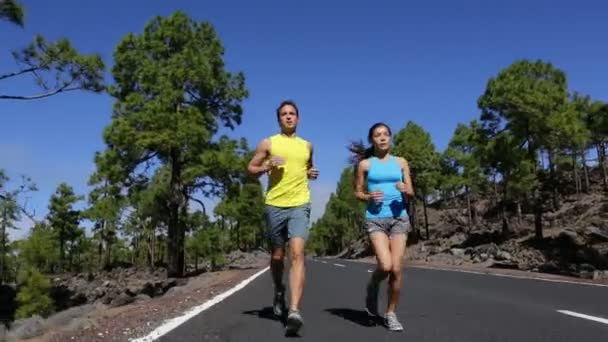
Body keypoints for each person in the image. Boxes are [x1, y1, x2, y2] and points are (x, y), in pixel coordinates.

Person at [247, 100, 319, 335]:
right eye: (284, 114)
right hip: (275, 205)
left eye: (292, 114)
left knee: (297, 253)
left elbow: (308, 167)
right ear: (279, 119)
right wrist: (267, 165)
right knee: (277, 256)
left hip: (300, 203)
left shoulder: (307, 145)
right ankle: (279, 290)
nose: (288, 117)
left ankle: (294, 310)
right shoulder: (268, 143)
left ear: (298, 118)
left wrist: (311, 172)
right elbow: (250, 169)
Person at [350, 122, 414, 332]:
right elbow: (357, 192)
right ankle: (372, 287)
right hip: (376, 219)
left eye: (386, 134)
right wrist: (368, 197)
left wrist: (405, 189)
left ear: (390, 137)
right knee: (385, 266)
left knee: (396, 270)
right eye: (378, 135)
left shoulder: (401, 162)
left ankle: (390, 313)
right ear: (372, 140)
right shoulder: (366, 165)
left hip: (399, 218)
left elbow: (411, 192)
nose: (383, 138)